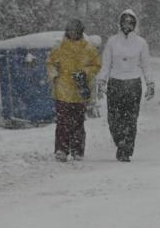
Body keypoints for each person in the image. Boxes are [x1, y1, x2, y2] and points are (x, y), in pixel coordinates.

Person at [96, 9, 154, 162]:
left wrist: (150, 83)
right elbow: (106, 64)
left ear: (134, 24)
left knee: (130, 119)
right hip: (115, 83)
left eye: (130, 22)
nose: (127, 25)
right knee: (114, 119)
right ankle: (119, 141)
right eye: (124, 22)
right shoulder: (112, 41)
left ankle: (126, 148)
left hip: (133, 83)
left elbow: (146, 65)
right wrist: (101, 81)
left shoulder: (141, 43)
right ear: (120, 23)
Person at [46, 19, 102, 162]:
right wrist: (54, 75)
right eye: (70, 30)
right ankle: (61, 150)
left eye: (75, 31)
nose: (72, 33)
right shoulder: (59, 47)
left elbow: (96, 65)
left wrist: (85, 72)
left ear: (80, 32)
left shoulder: (89, 48)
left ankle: (77, 150)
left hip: (80, 91)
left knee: (78, 123)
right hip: (62, 90)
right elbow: (50, 63)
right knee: (62, 122)